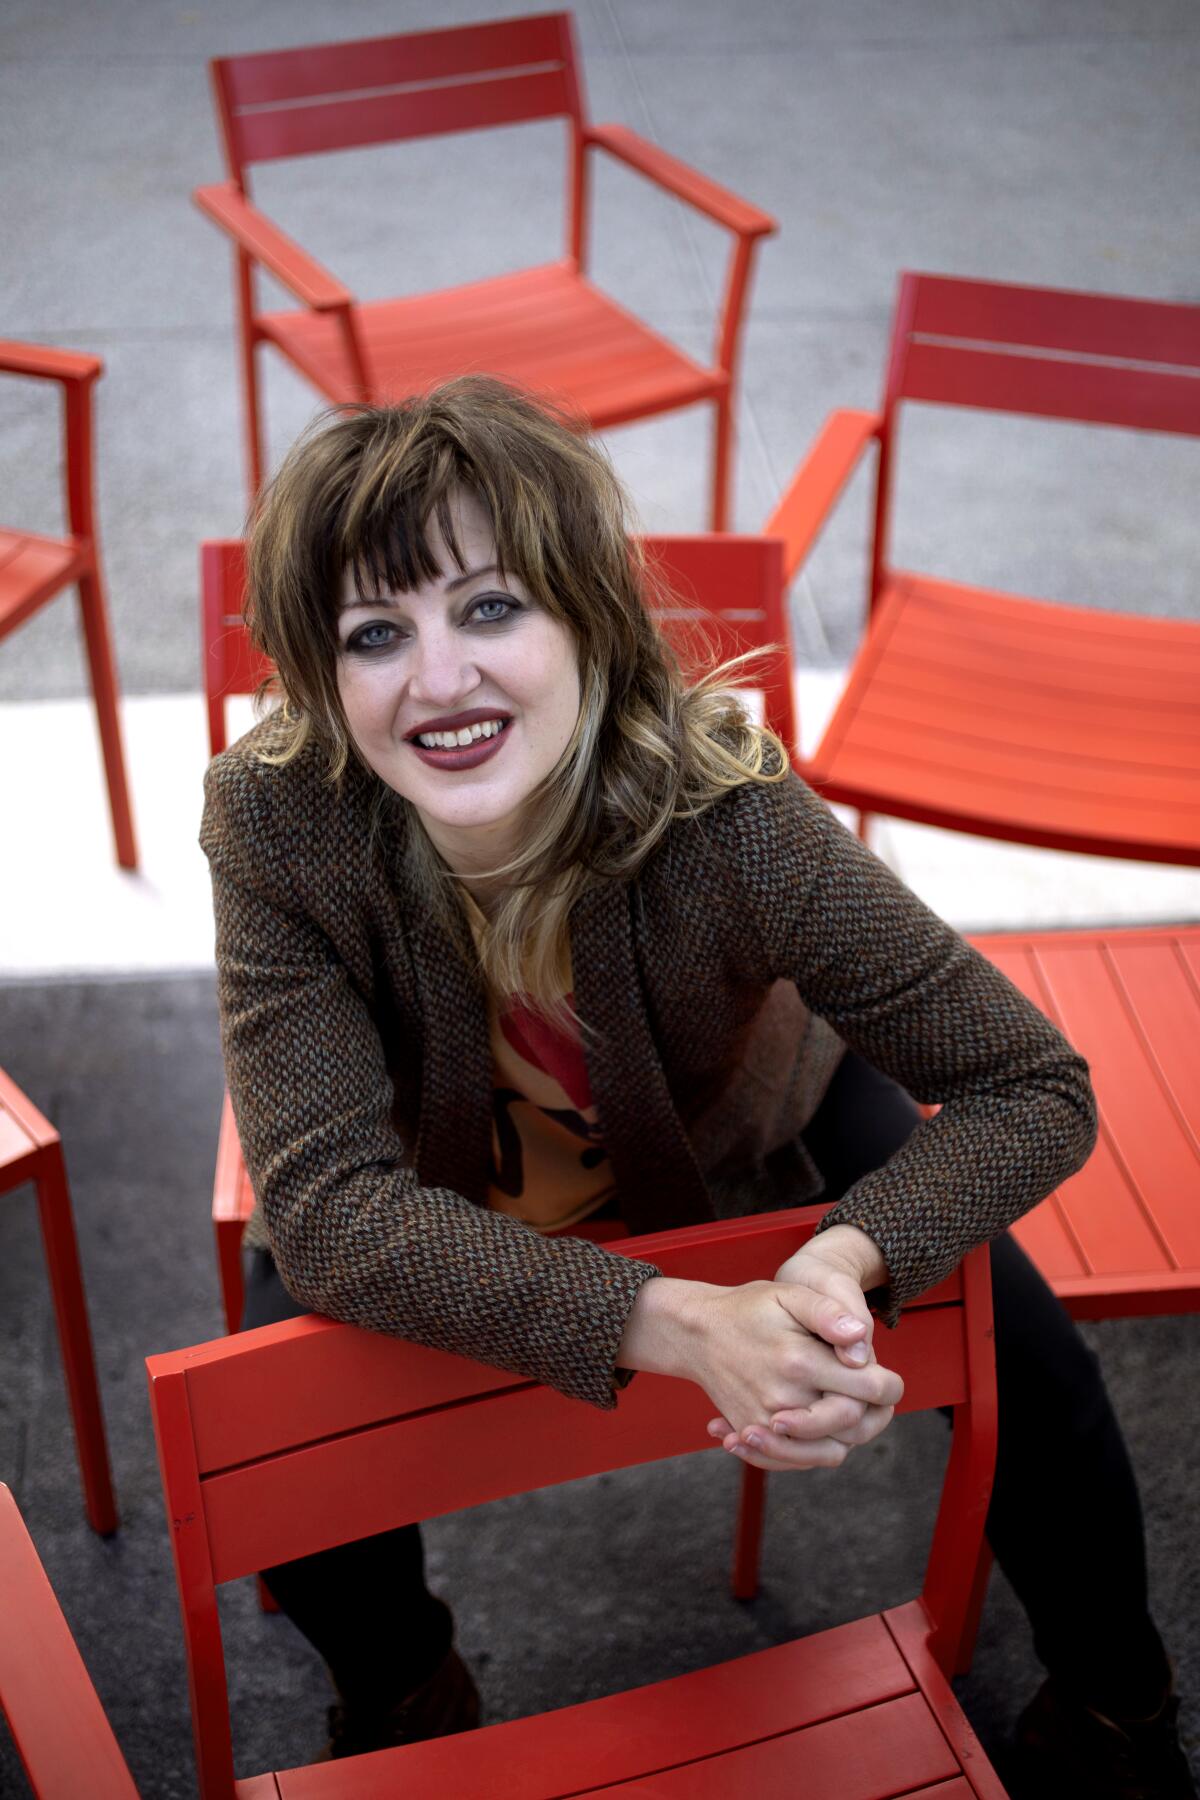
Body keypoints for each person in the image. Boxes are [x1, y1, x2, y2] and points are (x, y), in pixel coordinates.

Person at [201, 377, 1193, 1798]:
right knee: (280, 1425)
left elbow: (1031, 1086)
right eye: (376, 632)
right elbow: (330, 1208)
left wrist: (848, 1261)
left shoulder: (729, 816)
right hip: (433, 1178)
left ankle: (1117, 1700)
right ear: (319, 673)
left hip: (740, 1127)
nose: (437, 679)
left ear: (589, 621)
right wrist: (674, 1325)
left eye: (491, 608)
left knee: (1022, 1352)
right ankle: (403, 1688)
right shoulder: (275, 812)